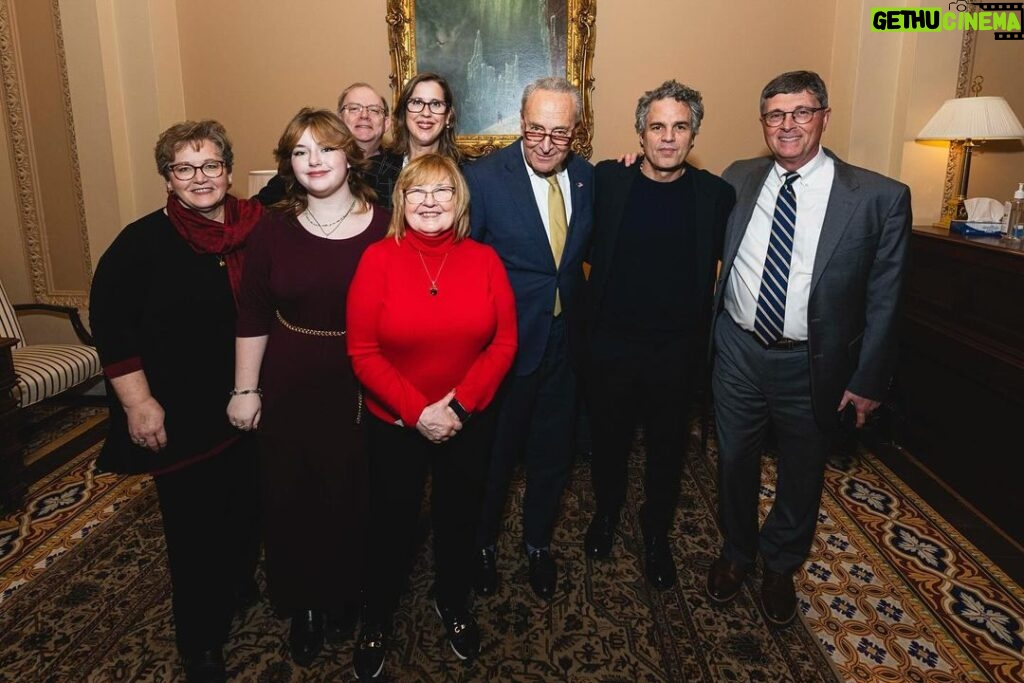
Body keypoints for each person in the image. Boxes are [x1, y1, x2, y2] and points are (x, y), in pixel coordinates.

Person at [707, 71, 911, 626]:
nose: (787, 124)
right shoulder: (738, 177)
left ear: (824, 114)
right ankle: (737, 551)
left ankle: (781, 563)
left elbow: (886, 301)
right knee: (733, 460)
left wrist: (869, 380)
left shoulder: (879, 198)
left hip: (812, 363)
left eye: (800, 112)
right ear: (764, 124)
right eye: (775, 115)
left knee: (802, 467)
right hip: (738, 351)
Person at [89, 120, 263, 683]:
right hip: (179, 414)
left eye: (210, 165)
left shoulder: (255, 229)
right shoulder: (139, 244)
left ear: (228, 170)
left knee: (246, 506)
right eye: (184, 168)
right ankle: (200, 642)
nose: (200, 178)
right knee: (193, 531)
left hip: (251, 404)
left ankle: (239, 580)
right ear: (168, 177)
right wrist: (139, 404)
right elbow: (113, 330)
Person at [227, 108, 389, 666]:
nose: (314, 161)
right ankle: (306, 606)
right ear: (289, 164)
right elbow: (252, 311)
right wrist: (245, 389)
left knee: (355, 490)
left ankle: (347, 594)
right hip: (292, 374)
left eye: (324, 149)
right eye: (300, 152)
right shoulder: (271, 228)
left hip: (366, 379)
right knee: (291, 494)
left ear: (351, 155)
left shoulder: (389, 222)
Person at [346, 154, 516, 678]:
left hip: (467, 418)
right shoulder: (377, 258)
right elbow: (362, 350)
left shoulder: (485, 259)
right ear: (400, 201)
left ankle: (453, 600)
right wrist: (418, 411)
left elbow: (505, 341)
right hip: (396, 422)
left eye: (443, 191)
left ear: (459, 200)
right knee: (390, 522)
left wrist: (459, 406)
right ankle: (376, 616)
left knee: (458, 517)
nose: (430, 202)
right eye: (417, 192)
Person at [581, 80, 735, 590]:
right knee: (608, 443)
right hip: (611, 347)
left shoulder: (716, 196)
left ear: (693, 135)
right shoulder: (608, 180)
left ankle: (656, 534)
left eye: (679, 127)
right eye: (657, 127)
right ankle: (606, 514)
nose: (668, 138)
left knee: (668, 451)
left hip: (676, 352)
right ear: (640, 134)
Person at [464, 76, 594, 601]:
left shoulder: (587, 178)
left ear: (575, 133)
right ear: (521, 123)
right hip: (504, 347)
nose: (545, 143)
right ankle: (482, 544)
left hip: (566, 345)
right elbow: (463, 267)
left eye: (559, 134)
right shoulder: (483, 179)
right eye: (535, 129)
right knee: (495, 458)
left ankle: (538, 542)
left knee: (552, 454)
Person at [257, 82, 402, 208]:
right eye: (353, 108)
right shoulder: (312, 164)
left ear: (386, 123)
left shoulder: (401, 169)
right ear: (338, 119)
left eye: (374, 110)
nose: (364, 115)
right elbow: (258, 209)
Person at [389, 71, 463, 164]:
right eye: (417, 102)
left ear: (448, 116)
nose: (426, 113)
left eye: (436, 104)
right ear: (404, 112)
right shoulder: (375, 171)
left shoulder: (467, 174)